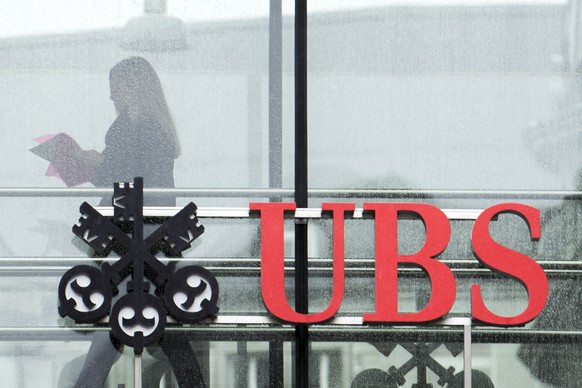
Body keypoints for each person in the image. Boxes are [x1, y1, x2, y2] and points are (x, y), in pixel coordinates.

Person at [67, 57, 205, 388]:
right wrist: (102, 163)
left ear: (134, 87)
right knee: (162, 321)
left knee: (123, 319)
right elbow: (134, 178)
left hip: (135, 234)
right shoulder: (151, 128)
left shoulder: (138, 128)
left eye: (116, 87)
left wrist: (97, 162)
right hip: (148, 234)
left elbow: (127, 179)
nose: (111, 96)